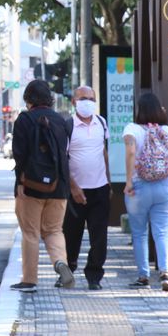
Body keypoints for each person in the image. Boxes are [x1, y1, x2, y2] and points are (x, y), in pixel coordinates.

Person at [10, 79, 73, 292]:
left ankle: (29, 280)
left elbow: (20, 156)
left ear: (28, 99)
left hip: (30, 187)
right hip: (59, 186)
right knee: (54, 230)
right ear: (50, 99)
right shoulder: (61, 121)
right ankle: (60, 262)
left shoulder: (24, 120)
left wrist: (20, 182)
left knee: (30, 233)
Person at [123, 92, 168, 291]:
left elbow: (130, 152)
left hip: (140, 188)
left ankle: (143, 275)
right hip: (165, 188)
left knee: (139, 233)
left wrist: (128, 181)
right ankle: (165, 274)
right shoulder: (166, 130)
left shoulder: (132, 129)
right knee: (163, 232)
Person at [62, 85, 111, 290]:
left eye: (91, 98)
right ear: (74, 102)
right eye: (83, 98)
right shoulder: (68, 126)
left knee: (99, 236)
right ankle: (67, 271)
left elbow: (104, 152)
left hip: (99, 188)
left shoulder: (101, 122)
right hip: (75, 190)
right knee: (71, 235)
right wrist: (73, 187)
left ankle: (94, 276)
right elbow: (63, 160)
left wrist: (108, 181)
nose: (88, 102)